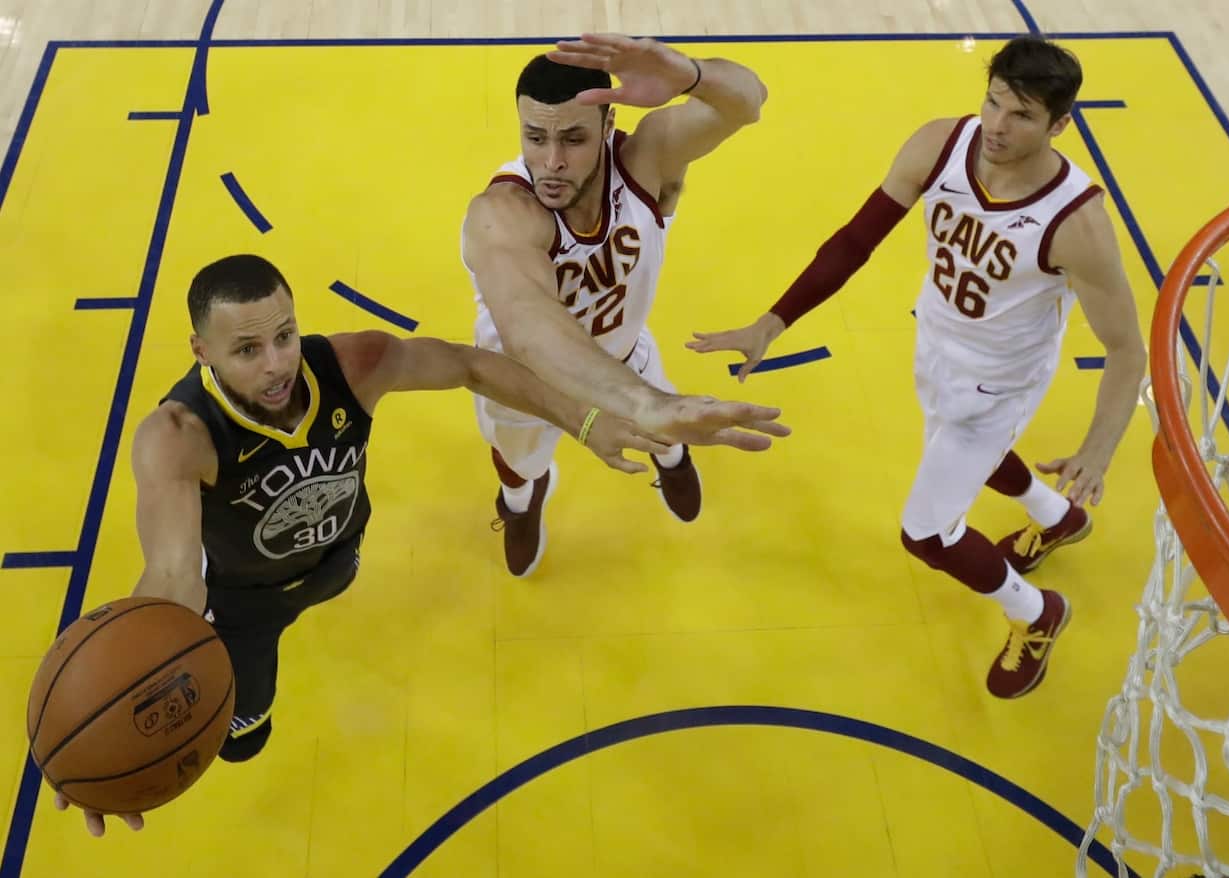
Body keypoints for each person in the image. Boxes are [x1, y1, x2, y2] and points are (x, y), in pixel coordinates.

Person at [52, 252, 673, 836]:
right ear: (200, 351)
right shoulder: (177, 435)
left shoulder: (352, 367)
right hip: (245, 604)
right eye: (246, 349)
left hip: (335, 558)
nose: (275, 364)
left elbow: (470, 365)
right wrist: (110, 721)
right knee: (243, 738)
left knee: (332, 582)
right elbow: (172, 575)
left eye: (285, 336)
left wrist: (585, 421)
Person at [688, 36, 1146, 699]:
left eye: (1021, 116)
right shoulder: (941, 145)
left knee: (928, 533)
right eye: (992, 103)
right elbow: (855, 240)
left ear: (1060, 125)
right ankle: (1056, 518)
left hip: (1001, 382)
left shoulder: (1077, 223)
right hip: (935, 341)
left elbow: (1127, 349)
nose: (997, 125)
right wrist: (772, 322)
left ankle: (1038, 612)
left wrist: (1097, 453)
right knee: (965, 457)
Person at [460, 34, 781, 576]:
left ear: (608, 127)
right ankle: (519, 504)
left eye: (573, 139)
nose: (552, 162)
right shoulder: (501, 213)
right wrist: (646, 404)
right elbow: (529, 331)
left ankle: (671, 454)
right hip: (526, 384)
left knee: (669, 421)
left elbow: (749, 103)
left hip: (623, 356)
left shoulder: (645, 160)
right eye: (535, 137)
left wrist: (691, 73)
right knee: (518, 466)